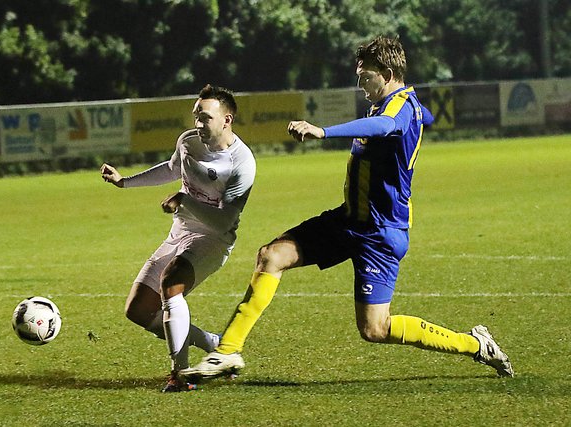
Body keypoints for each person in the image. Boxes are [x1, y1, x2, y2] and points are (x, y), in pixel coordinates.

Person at [181, 36, 513, 383]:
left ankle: (475, 345)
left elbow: (386, 126)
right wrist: (421, 117)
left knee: (375, 329)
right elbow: (419, 116)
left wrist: (323, 131)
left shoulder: (397, 109)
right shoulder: (403, 105)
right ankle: (227, 352)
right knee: (272, 255)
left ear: (386, 73)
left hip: (380, 234)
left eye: (365, 77)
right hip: (348, 219)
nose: (360, 84)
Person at [101, 84, 256, 392]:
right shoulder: (187, 141)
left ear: (227, 120)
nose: (199, 123)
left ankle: (180, 374)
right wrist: (124, 182)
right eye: (196, 115)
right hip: (179, 233)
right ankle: (215, 344)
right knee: (139, 310)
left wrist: (186, 202)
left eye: (206, 117)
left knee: (171, 284)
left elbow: (225, 219)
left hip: (213, 239)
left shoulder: (242, 163)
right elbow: (173, 168)